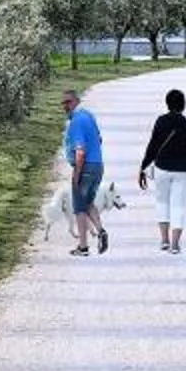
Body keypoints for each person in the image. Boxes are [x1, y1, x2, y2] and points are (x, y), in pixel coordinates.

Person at [137, 87, 186, 254]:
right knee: (178, 205)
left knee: (162, 202)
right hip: (183, 171)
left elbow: (153, 146)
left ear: (167, 104)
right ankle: (175, 244)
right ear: (183, 105)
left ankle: (164, 239)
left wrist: (143, 167)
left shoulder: (161, 121)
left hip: (162, 168)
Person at [60, 88, 110, 255]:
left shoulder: (76, 122)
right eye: (63, 103)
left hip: (85, 167)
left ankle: (83, 246)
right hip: (97, 166)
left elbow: (80, 151)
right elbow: (99, 139)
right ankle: (101, 231)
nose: (65, 106)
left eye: (68, 102)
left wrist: (77, 174)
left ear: (76, 101)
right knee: (88, 202)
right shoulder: (89, 116)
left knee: (79, 207)